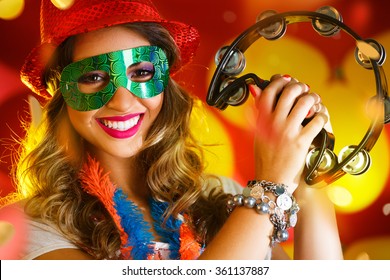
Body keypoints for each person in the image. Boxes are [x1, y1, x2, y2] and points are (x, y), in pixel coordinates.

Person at [0, 0, 343, 260]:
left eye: (141, 73)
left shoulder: (220, 198)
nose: (122, 102)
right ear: (60, 95)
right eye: (93, 78)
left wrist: (307, 171)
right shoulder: (24, 230)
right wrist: (271, 188)